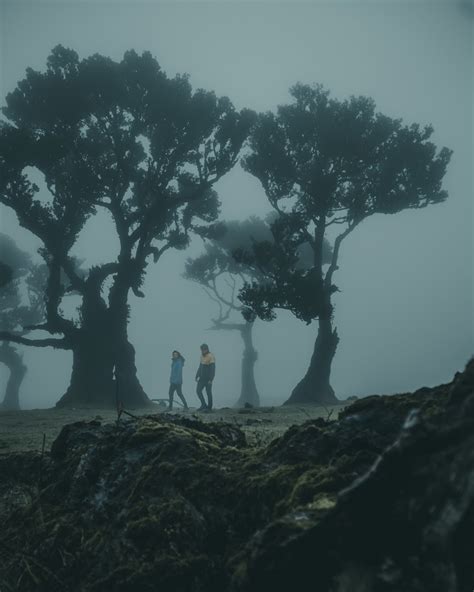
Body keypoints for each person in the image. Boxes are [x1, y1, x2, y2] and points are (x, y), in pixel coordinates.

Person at [195, 343, 215, 411]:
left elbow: (213, 369)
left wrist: (211, 379)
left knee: (208, 392)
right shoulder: (201, 356)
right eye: (202, 350)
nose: (203, 351)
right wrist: (197, 375)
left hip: (208, 379)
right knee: (198, 391)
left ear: (207, 349)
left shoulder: (211, 356)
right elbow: (200, 366)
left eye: (204, 350)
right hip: (201, 378)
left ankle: (209, 407)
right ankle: (203, 404)